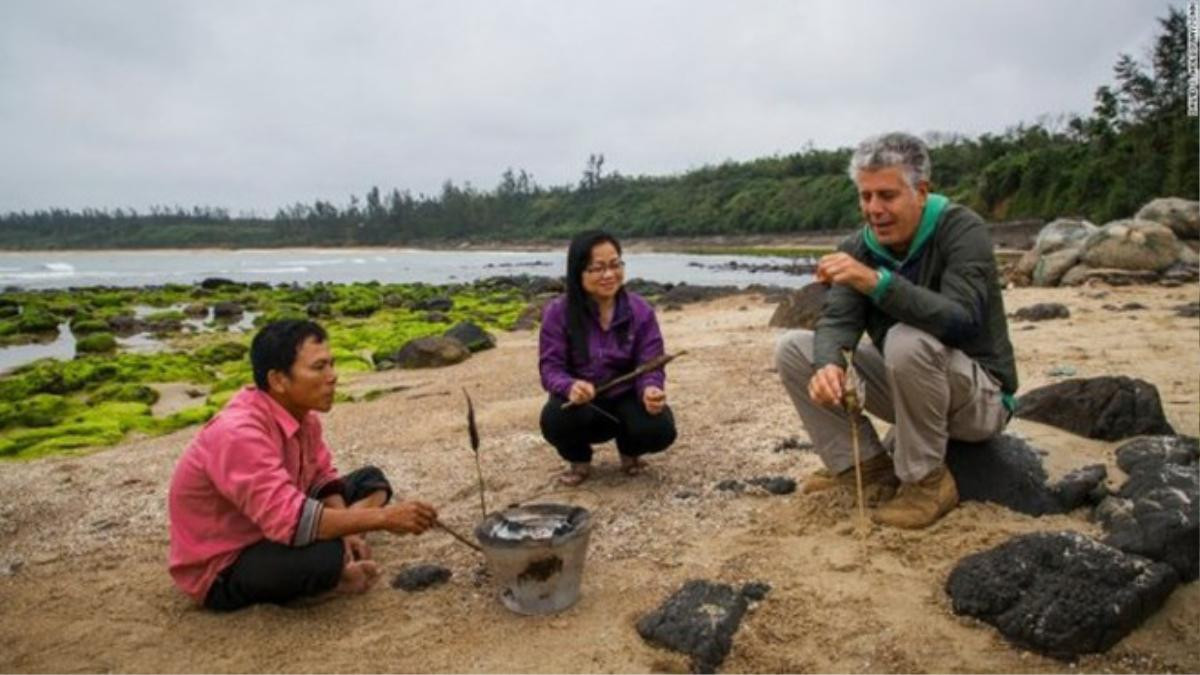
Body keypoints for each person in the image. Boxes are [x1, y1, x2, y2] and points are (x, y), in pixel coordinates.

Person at [775, 132, 1017, 529]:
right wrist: (828, 367)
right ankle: (867, 470)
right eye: (865, 196)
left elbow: (961, 319)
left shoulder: (961, 229)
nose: (874, 209)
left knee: (907, 338)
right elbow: (838, 321)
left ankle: (926, 481)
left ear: (921, 191)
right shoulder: (859, 246)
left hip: (980, 399)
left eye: (887, 196)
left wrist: (877, 283)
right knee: (794, 349)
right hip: (914, 393)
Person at [168, 319, 439, 610]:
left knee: (371, 480)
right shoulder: (238, 433)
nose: (333, 376)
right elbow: (290, 519)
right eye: (319, 367)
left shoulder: (302, 416)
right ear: (278, 380)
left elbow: (321, 477)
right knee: (325, 553)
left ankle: (345, 535)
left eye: (332, 364)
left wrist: (346, 528)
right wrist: (384, 519)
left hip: (274, 519)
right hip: (226, 564)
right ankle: (339, 577)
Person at [538, 230, 678, 486]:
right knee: (555, 419)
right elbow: (550, 368)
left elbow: (651, 361)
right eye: (597, 268)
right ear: (578, 271)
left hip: (627, 398)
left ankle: (630, 450)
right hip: (583, 405)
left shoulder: (640, 311)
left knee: (660, 429)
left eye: (615, 265)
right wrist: (570, 387)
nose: (609, 275)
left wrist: (651, 388)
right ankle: (578, 459)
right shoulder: (558, 313)